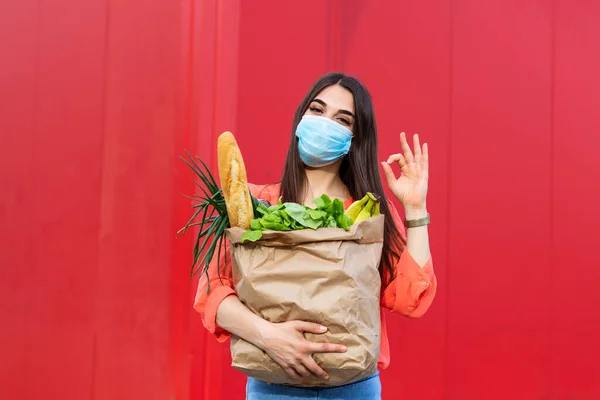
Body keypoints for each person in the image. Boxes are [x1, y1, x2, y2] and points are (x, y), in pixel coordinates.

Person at [194, 72, 437, 399]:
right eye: (317, 110)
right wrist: (269, 336)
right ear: (300, 120)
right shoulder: (256, 204)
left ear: (355, 137)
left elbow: (411, 299)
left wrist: (415, 208)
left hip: (353, 389)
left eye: (342, 119)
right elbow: (213, 292)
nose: (325, 123)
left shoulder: (369, 214)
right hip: (272, 387)